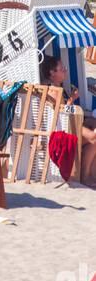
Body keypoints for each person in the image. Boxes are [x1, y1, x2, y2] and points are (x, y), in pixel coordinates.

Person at [40, 55, 96, 185]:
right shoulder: (52, 91)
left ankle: (89, 173)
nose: (65, 70)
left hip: (71, 124)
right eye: (62, 69)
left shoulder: (60, 88)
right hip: (63, 128)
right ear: (52, 72)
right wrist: (72, 99)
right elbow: (62, 113)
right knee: (93, 138)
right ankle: (85, 175)